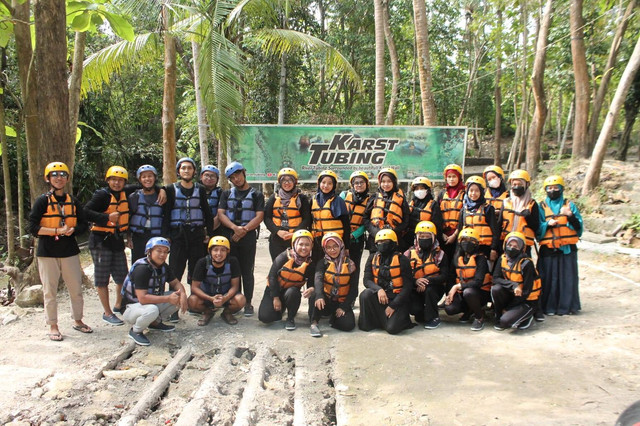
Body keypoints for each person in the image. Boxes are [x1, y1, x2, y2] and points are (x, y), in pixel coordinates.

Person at [29, 162, 92, 341]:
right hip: (47, 251)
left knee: (76, 289)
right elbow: (33, 227)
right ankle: (53, 325)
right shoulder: (43, 201)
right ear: (48, 178)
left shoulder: (73, 201)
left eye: (62, 175)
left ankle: (78, 320)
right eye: (55, 175)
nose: (59, 178)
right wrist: (56, 231)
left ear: (67, 178)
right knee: (50, 290)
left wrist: (73, 230)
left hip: (69, 250)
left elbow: (83, 224)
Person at [84, 165, 131, 326]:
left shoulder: (126, 192)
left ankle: (118, 305)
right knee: (102, 278)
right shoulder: (101, 195)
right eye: (113, 180)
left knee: (122, 276)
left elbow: (145, 184)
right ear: (108, 180)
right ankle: (107, 312)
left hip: (116, 240)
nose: (117, 183)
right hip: (100, 240)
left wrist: (161, 190)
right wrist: (106, 217)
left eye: (120, 180)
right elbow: (85, 212)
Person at [121, 237, 188, 346]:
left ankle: (154, 323)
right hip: (131, 308)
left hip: (147, 304)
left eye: (165, 252)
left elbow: (176, 283)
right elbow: (142, 299)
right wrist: (167, 298)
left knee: (177, 296)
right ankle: (135, 330)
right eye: (159, 251)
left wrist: (183, 294)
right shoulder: (142, 269)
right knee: (152, 309)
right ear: (149, 251)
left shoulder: (163, 267)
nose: (162, 255)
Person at [218, 161, 265, 317]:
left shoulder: (256, 194)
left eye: (238, 175)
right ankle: (234, 301)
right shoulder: (226, 194)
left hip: (248, 237)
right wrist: (234, 228)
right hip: (230, 236)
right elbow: (221, 214)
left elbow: (259, 216)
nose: (236, 179)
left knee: (247, 270)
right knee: (233, 270)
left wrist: (244, 229)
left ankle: (248, 303)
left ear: (244, 173)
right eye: (232, 178)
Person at [162, 157, 214, 289]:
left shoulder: (200, 189)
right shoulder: (170, 189)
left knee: (196, 271)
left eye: (189, 168)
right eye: (183, 168)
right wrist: (166, 235)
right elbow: (166, 214)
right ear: (179, 171)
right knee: (175, 271)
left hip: (196, 235)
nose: (186, 170)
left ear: (194, 171)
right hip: (177, 235)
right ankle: (173, 306)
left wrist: (209, 234)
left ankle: (194, 302)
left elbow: (207, 213)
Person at [537, 175, 583, 316]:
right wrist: (547, 224)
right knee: (548, 279)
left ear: (561, 189)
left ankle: (567, 307)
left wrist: (570, 215)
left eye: (556, 187)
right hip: (548, 249)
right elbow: (537, 229)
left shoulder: (569, 205)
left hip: (567, 249)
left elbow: (579, 228)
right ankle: (548, 307)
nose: (553, 190)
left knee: (567, 279)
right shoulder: (541, 206)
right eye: (549, 188)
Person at [358, 229, 413, 335]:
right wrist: (378, 289)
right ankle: (378, 320)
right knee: (365, 294)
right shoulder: (372, 258)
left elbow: (407, 287)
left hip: (397, 298)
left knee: (392, 329)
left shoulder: (403, 260)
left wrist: (393, 305)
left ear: (393, 244)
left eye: (385, 242)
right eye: (379, 242)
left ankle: (399, 319)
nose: (381, 245)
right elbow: (367, 280)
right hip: (381, 297)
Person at [259, 229, 314, 330]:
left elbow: (311, 281)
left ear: (311, 246)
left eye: (307, 245)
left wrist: (311, 288)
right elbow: (272, 277)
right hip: (275, 290)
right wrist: (275, 298)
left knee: (293, 292)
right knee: (265, 317)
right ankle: (282, 307)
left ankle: (290, 318)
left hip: (291, 292)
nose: (304, 248)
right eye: (300, 244)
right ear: (294, 244)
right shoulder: (284, 257)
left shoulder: (310, 262)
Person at [188, 236, 246, 326]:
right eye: (215, 250)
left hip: (225, 295)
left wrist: (225, 298)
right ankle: (208, 312)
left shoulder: (233, 262)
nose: (219, 253)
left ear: (228, 251)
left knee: (241, 300)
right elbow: (195, 287)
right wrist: (211, 298)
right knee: (192, 301)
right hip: (207, 296)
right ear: (210, 251)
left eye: (223, 250)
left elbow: (235, 286)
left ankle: (227, 312)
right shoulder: (202, 263)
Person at [309, 233, 358, 337]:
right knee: (314, 295)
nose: (332, 250)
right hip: (326, 301)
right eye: (329, 247)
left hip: (341, 302)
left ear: (341, 246)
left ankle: (334, 319)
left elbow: (354, 290)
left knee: (349, 325)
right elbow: (318, 280)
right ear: (324, 249)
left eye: (335, 246)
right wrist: (319, 296)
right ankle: (314, 323)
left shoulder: (350, 264)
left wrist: (344, 307)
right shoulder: (322, 263)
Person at [491, 232, 541, 331]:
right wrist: (514, 285)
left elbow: (526, 292)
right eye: (510, 245)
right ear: (505, 244)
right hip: (513, 295)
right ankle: (500, 315)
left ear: (522, 248)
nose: (512, 248)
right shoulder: (502, 258)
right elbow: (495, 278)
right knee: (495, 289)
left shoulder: (526, 263)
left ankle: (528, 315)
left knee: (506, 322)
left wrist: (509, 307)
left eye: (516, 246)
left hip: (526, 300)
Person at [444, 228, 492, 331]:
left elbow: (478, 282)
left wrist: (457, 286)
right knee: (450, 309)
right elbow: (451, 277)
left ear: (477, 243)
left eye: (471, 241)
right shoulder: (457, 258)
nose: (467, 243)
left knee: (468, 292)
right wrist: (450, 294)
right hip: (462, 292)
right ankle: (469, 310)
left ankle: (479, 317)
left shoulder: (481, 259)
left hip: (479, 293)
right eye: (464, 240)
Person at [404, 221, 449, 328]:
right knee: (415, 309)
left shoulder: (440, 254)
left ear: (433, 237)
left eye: (428, 236)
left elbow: (444, 275)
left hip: (434, 288)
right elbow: (404, 274)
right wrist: (416, 281)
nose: (424, 238)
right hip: (416, 288)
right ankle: (421, 313)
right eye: (422, 236)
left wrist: (427, 281)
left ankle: (433, 317)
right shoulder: (409, 253)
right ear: (417, 237)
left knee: (430, 290)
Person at [264, 167, 312, 261]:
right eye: (284, 180)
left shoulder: (301, 198)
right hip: (277, 239)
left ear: (295, 182)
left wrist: (294, 233)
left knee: (296, 268)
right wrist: (277, 231)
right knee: (278, 267)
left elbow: (307, 219)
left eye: (290, 180)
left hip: (296, 239)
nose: (287, 183)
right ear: (280, 182)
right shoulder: (273, 198)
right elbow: (267, 218)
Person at [365, 168, 410, 252]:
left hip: (394, 238)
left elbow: (406, 220)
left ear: (394, 182)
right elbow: (366, 218)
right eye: (383, 181)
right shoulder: (374, 197)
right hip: (376, 239)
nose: (386, 184)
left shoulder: (401, 198)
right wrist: (374, 231)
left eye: (389, 181)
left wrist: (394, 230)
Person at [128, 165, 166, 263]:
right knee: (138, 265)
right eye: (144, 177)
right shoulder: (134, 197)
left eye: (150, 176)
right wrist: (128, 237)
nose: (147, 179)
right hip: (138, 236)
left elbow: (167, 217)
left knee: (156, 264)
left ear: (155, 178)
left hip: (156, 235)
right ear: (140, 180)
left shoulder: (162, 196)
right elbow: (128, 217)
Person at [311, 169, 350, 263]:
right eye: (323, 182)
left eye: (329, 183)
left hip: (334, 244)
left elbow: (346, 226)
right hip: (317, 242)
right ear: (319, 183)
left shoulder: (338, 201)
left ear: (334, 185)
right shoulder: (313, 200)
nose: (326, 186)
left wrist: (347, 247)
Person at [457, 176, 500, 261]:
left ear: (482, 192)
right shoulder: (464, 210)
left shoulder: (488, 209)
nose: (473, 193)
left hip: (484, 248)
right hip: (467, 248)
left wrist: (493, 249)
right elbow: (459, 231)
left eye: (477, 191)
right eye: (471, 190)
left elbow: (495, 231)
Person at [339, 171, 370, 285]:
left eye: (362, 182)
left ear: (367, 184)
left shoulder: (370, 200)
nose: (359, 185)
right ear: (352, 185)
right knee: (340, 267)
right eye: (356, 183)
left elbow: (367, 221)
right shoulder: (343, 195)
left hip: (356, 240)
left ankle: (352, 297)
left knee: (354, 268)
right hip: (341, 238)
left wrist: (354, 234)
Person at [499, 169, 540, 254]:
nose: (517, 187)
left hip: (524, 245)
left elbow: (536, 227)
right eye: (514, 184)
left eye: (520, 184)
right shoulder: (506, 202)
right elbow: (499, 223)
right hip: (507, 243)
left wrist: (528, 216)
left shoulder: (532, 204)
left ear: (526, 185)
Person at [405, 176, 443, 250]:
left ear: (428, 190)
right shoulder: (411, 204)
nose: (419, 191)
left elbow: (438, 226)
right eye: (417, 189)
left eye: (422, 188)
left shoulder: (433, 205)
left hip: (427, 240)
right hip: (410, 239)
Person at [437, 164, 465, 263]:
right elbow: (438, 215)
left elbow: (464, 216)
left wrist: (455, 234)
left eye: (454, 176)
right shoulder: (442, 193)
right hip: (444, 234)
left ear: (459, 177)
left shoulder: (464, 193)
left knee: (455, 261)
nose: (451, 179)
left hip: (458, 234)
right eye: (449, 177)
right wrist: (442, 233)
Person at [200, 164, 223, 236]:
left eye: (212, 176)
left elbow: (220, 214)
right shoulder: (195, 191)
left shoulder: (221, 193)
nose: (209, 178)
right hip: (198, 229)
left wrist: (208, 230)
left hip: (216, 229)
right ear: (201, 177)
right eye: (206, 175)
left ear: (217, 179)